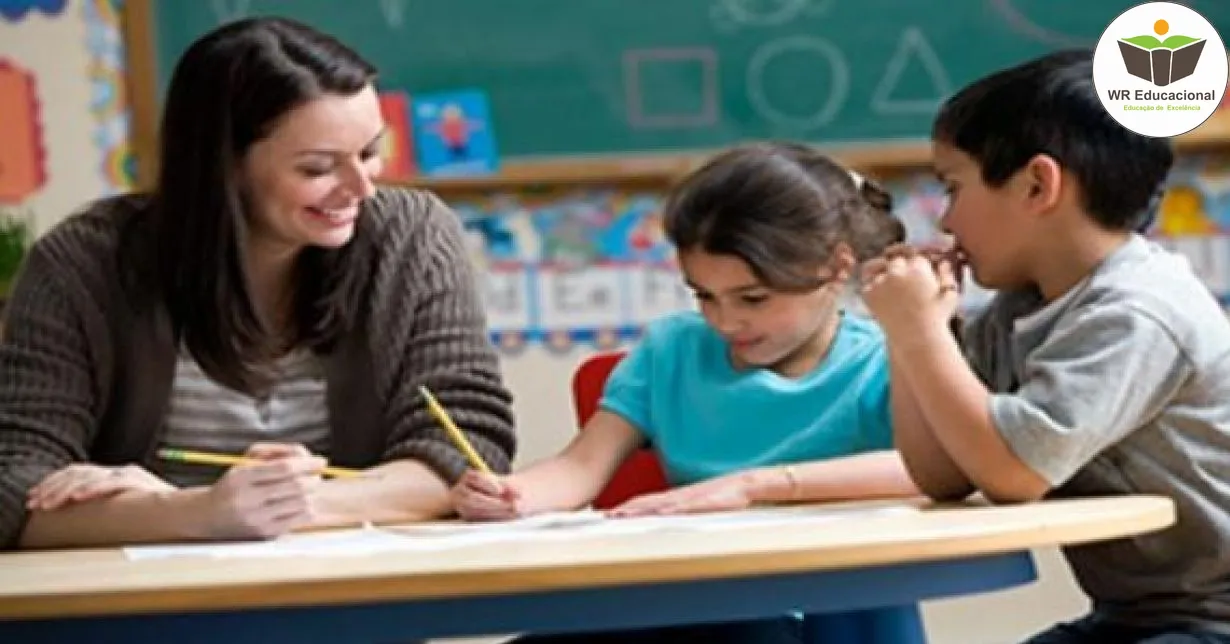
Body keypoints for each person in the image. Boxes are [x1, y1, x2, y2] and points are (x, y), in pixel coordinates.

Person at [0, 17, 516, 550]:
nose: (362, 188)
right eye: (318, 168)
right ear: (224, 167)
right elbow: (14, 485)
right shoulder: (84, 264)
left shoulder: (414, 239)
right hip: (148, 610)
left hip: (353, 594)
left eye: (368, 152)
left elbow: (466, 449)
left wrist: (281, 504)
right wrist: (192, 511)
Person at [453, 142, 920, 643]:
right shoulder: (672, 350)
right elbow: (581, 467)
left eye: (753, 298)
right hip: (713, 608)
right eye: (704, 296)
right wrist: (513, 495)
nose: (725, 320)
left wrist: (754, 486)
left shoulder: (887, 358)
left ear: (836, 267)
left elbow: (926, 470)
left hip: (844, 615)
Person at [861, 49, 1230, 643]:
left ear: (1038, 184)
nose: (946, 222)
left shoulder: (1137, 311)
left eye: (952, 189)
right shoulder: (1019, 309)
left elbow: (1013, 471)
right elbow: (943, 474)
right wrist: (914, 337)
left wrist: (920, 334)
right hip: (1136, 619)